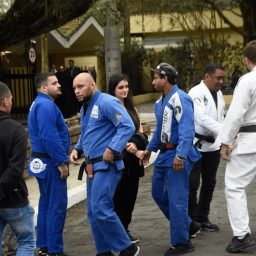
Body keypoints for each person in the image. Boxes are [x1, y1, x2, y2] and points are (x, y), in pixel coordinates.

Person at [70, 73, 140, 256]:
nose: (77, 91)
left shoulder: (107, 102)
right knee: (93, 213)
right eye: (74, 88)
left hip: (107, 164)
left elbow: (127, 126)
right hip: (92, 166)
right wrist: (77, 148)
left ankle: (127, 248)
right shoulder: (85, 107)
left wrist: (112, 148)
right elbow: (87, 132)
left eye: (81, 86)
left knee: (101, 207)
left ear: (92, 84)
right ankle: (104, 251)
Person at [140, 63, 201, 256]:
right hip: (165, 154)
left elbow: (187, 129)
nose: (153, 80)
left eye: (156, 77)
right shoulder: (160, 102)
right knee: (158, 193)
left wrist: (181, 155)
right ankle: (188, 225)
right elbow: (159, 131)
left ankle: (182, 242)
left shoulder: (181, 98)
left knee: (177, 199)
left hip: (177, 154)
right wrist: (149, 149)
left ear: (165, 78)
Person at [27, 73, 70, 256]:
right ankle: (55, 250)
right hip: (50, 162)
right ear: (44, 88)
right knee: (56, 207)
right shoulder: (45, 105)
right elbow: (49, 137)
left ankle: (45, 246)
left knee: (46, 204)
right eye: (55, 83)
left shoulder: (38, 103)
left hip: (41, 160)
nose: (59, 85)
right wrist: (61, 162)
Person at [220, 40, 256, 253]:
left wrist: (225, 141)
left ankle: (241, 235)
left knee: (234, 185)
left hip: (250, 141)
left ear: (246, 60)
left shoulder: (248, 80)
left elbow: (235, 115)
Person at [108, 74, 148, 244]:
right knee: (119, 197)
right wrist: (130, 147)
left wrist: (137, 146)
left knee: (130, 197)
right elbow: (111, 134)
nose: (124, 90)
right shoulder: (110, 108)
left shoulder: (132, 108)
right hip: (120, 159)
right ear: (113, 90)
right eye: (120, 88)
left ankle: (125, 229)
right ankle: (118, 234)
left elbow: (140, 132)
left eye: (126, 87)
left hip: (133, 160)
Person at [188, 64, 225, 233]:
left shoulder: (219, 94)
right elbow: (200, 118)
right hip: (196, 145)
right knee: (193, 184)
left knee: (209, 183)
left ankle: (204, 217)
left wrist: (225, 134)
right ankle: (193, 220)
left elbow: (221, 117)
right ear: (207, 76)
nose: (221, 81)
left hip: (213, 146)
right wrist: (223, 131)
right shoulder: (195, 92)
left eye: (222, 78)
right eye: (218, 78)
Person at [0, 81, 36, 255]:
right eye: (11, 99)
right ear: (5, 101)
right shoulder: (17, 130)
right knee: (27, 241)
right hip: (14, 199)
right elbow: (15, 169)